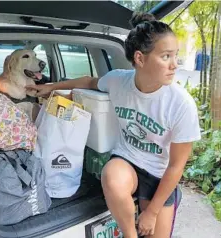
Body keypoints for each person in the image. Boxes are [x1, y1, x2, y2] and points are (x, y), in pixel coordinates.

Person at [26, 12, 201, 238]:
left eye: (175, 56)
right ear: (140, 58)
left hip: (159, 175)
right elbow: (88, 81)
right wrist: (50, 87)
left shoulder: (181, 104)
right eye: (166, 56)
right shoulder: (119, 81)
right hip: (127, 163)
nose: (174, 65)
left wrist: (153, 212)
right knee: (111, 174)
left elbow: (176, 166)